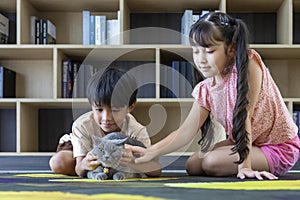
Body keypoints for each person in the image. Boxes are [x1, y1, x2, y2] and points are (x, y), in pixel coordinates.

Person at [128, 11, 300, 180]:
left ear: (231, 49)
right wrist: (150, 151)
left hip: (277, 147)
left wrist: (245, 166)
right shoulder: (206, 88)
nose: (200, 60)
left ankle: (248, 161)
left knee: (211, 162)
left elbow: (244, 115)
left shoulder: (248, 64)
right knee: (193, 164)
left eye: (209, 52)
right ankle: (238, 159)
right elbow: (186, 131)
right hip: (246, 142)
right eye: (196, 51)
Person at [49, 67, 161, 177]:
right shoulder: (82, 125)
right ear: (91, 105)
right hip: (82, 150)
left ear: (130, 107)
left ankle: (110, 168)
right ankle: (101, 169)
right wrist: (84, 164)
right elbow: (79, 169)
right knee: (59, 162)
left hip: (115, 158)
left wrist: (134, 162)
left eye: (115, 110)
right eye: (99, 110)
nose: (106, 118)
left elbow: (156, 170)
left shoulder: (136, 130)